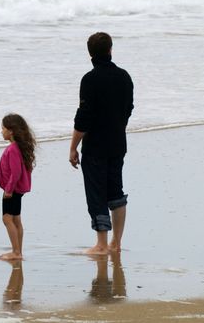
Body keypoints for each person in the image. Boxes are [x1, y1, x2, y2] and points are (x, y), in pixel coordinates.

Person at [69, 32, 134, 255]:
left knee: (96, 194)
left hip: (95, 146)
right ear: (110, 50)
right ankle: (117, 243)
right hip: (117, 142)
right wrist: (118, 126)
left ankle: (101, 244)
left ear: (90, 54)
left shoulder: (90, 80)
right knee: (116, 191)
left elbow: (83, 117)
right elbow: (129, 108)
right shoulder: (124, 76)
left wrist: (73, 147)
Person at [0, 114, 36, 261]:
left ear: (11, 131)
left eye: (3, 128)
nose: (1, 131)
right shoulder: (20, 147)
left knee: (7, 219)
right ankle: (18, 251)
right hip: (16, 189)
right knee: (16, 219)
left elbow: (16, 172)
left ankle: (16, 252)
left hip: (12, 190)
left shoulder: (13, 149)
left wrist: (8, 189)